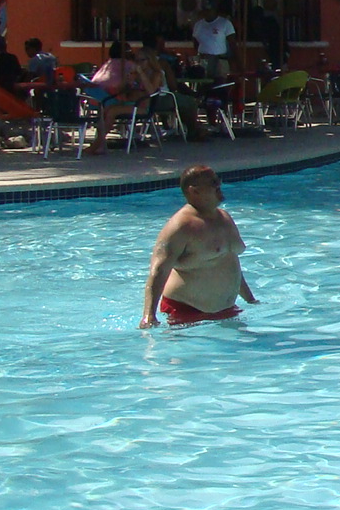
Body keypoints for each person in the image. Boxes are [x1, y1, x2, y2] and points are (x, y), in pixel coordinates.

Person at [141, 166, 257, 327]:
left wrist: (250, 299)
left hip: (226, 310)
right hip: (187, 312)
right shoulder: (181, 226)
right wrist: (149, 316)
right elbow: (159, 270)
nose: (219, 185)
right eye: (212, 183)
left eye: (218, 180)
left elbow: (229, 261)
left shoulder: (224, 218)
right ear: (194, 191)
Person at [84, 41, 148, 155]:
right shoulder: (128, 68)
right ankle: (99, 144)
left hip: (139, 105)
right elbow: (125, 88)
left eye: (142, 60)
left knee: (110, 111)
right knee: (108, 111)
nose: (137, 62)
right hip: (121, 100)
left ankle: (97, 145)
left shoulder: (108, 65)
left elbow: (149, 91)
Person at [191, 0, 235, 79]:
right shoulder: (198, 25)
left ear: (215, 10)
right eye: (205, 10)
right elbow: (195, 42)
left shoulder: (225, 23)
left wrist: (235, 62)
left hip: (220, 60)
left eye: (209, 10)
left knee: (220, 86)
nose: (207, 12)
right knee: (203, 85)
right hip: (203, 60)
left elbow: (232, 44)